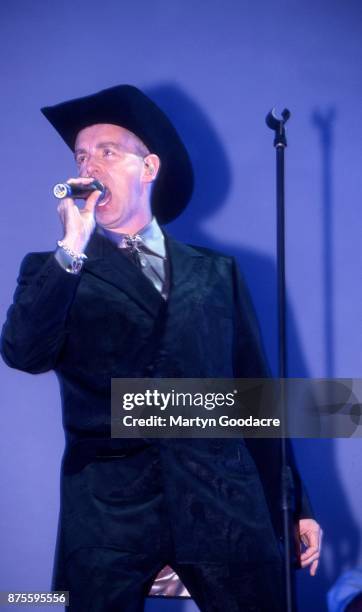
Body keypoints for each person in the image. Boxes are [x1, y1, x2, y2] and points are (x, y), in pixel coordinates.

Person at [1, 85, 322, 612]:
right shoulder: (54, 268)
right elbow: (22, 352)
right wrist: (72, 248)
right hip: (110, 514)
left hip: (223, 505)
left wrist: (294, 504)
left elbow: (254, 396)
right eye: (82, 156)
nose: (90, 165)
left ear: (147, 167)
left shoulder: (217, 272)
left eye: (107, 151)